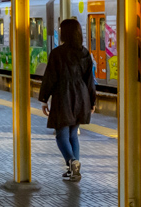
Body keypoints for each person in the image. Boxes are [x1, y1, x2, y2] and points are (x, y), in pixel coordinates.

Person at [38, 17, 97, 182]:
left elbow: (50, 77)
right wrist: (92, 101)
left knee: (61, 134)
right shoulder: (85, 52)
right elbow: (89, 79)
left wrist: (44, 99)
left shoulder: (58, 53)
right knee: (73, 134)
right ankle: (74, 171)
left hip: (63, 96)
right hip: (82, 97)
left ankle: (72, 162)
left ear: (64, 33)